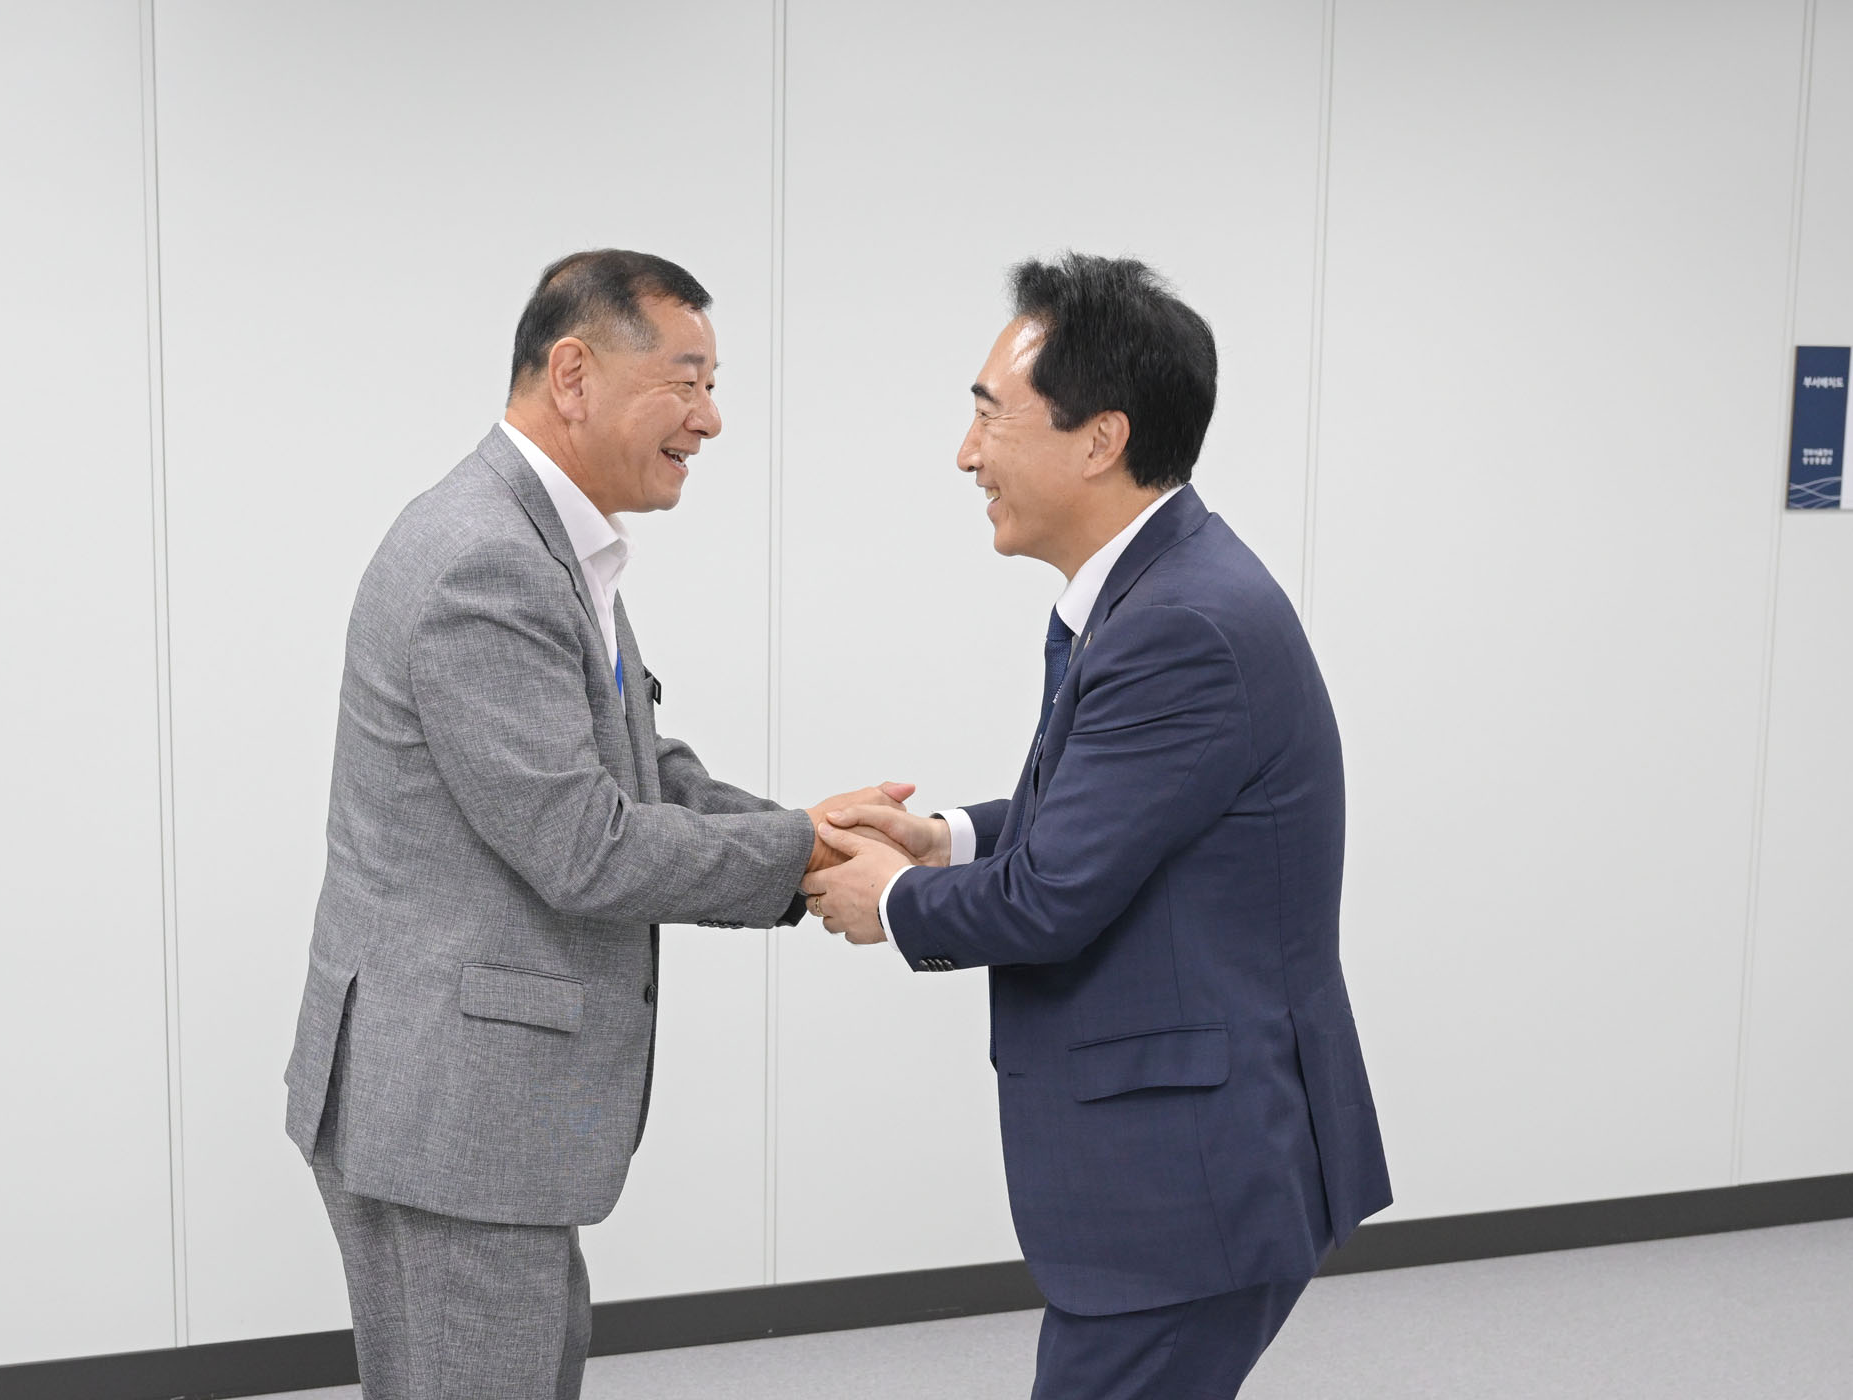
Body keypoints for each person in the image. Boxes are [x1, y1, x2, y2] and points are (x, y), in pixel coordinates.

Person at [282, 248, 909, 1400]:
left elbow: (634, 764)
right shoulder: (486, 559)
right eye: (687, 380)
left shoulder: (543, 541)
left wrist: (803, 825)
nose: (711, 418)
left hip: (464, 1106)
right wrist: (806, 852)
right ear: (573, 374)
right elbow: (584, 842)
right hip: (452, 1111)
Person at [804, 253, 1392, 1400]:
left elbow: (1055, 896)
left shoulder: (1180, 623)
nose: (965, 453)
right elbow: (1117, 815)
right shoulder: (1150, 591)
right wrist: (946, 838)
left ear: (1100, 439)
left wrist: (893, 899)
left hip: (1191, 1176)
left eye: (990, 416)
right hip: (1196, 1156)